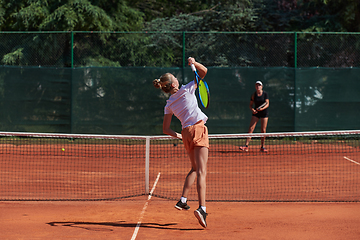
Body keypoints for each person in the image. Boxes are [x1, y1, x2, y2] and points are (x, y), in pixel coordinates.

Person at [152, 57, 209, 228]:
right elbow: (204, 71)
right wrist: (194, 62)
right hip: (198, 129)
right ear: (173, 84)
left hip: (185, 133)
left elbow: (166, 129)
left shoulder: (169, 104)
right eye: (174, 77)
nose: (177, 78)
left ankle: (183, 200)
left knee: (194, 168)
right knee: (202, 172)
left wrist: (180, 135)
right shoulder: (187, 89)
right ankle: (202, 208)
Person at [239, 80, 269, 152]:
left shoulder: (265, 94)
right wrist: (252, 109)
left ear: (261, 87)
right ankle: (246, 145)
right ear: (255, 87)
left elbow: (267, 103)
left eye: (259, 85)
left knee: (263, 130)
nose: (258, 86)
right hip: (256, 113)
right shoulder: (253, 95)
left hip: (264, 113)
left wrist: (261, 109)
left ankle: (262, 146)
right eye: (257, 85)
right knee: (251, 128)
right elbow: (250, 105)